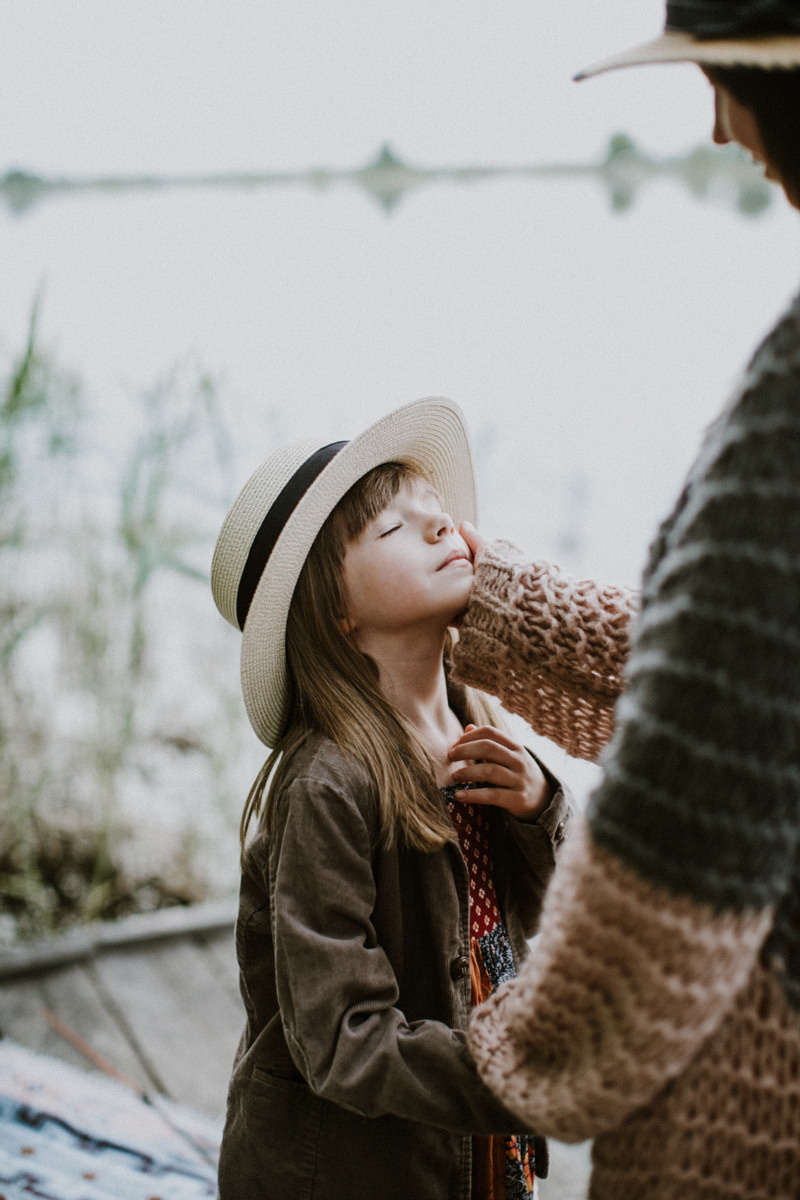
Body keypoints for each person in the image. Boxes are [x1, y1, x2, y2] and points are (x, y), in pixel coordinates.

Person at [448, 4, 800, 1198]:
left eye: (717, 80)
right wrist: (496, 607)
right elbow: (740, 682)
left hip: (762, 1091)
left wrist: (509, 1048)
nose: (711, 127)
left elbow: (686, 824)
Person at [210, 397, 572, 1200]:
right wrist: (511, 1075)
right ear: (335, 610)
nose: (442, 528)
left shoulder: (478, 724)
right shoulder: (329, 784)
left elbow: (548, 915)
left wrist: (542, 805)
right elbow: (342, 1040)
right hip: (347, 1175)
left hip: (475, 1160)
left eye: (437, 513)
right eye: (396, 529)